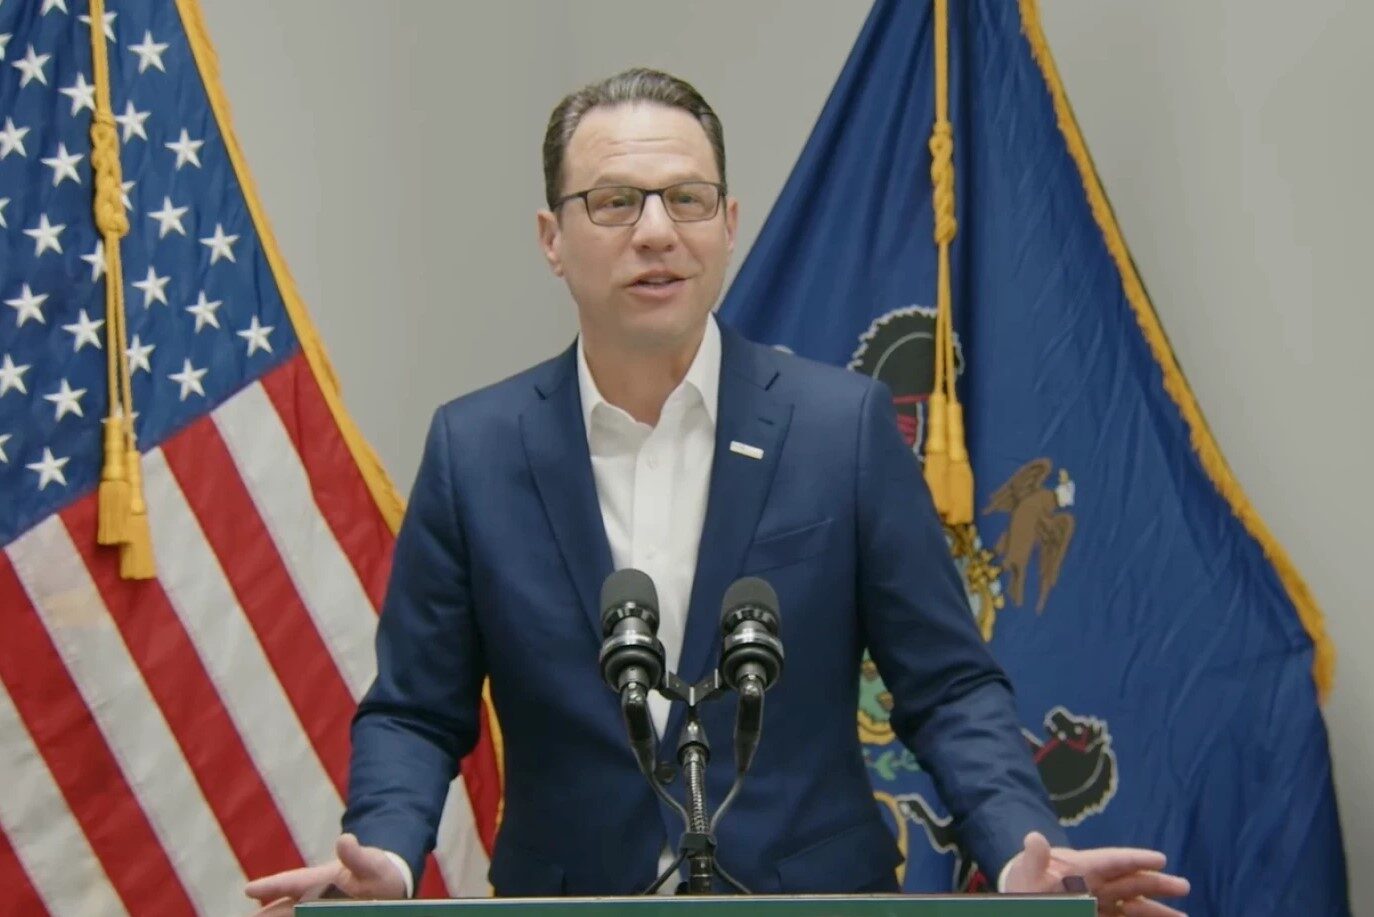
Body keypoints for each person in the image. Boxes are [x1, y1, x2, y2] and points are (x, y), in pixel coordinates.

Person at [246, 69, 1189, 915]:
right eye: (614, 200)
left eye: (687, 199)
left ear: (728, 225)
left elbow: (946, 686)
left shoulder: (841, 429)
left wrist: (1020, 851)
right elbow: (418, 707)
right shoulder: (476, 449)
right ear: (552, 238)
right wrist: (386, 859)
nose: (657, 231)